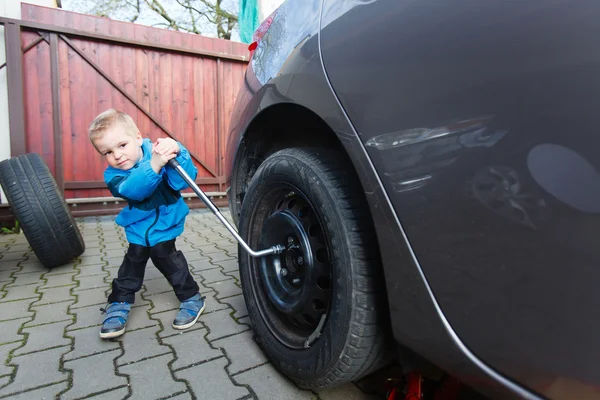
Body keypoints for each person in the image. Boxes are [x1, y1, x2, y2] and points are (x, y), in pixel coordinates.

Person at [88, 108, 205, 339]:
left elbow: (182, 182)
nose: (117, 155)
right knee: (133, 260)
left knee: (166, 256)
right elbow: (135, 190)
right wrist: (154, 164)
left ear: (138, 138)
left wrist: (177, 152)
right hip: (139, 227)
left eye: (122, 145)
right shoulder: (114, 175)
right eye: (108, 152)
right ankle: (119, 302)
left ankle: (191, 298)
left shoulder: (157, 151)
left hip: (166, 221)